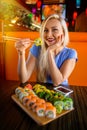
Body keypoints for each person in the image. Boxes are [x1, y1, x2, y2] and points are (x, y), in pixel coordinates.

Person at [15, 14, 78, 87]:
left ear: (63, 32)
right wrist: (21, 52)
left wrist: (50, 52)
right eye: (45, 30)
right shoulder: (37, 47)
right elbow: (23, 79)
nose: (49, 35)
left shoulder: (71, 53)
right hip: (40, 91)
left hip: (61, 93)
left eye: (54, 30)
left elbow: (57, 82)